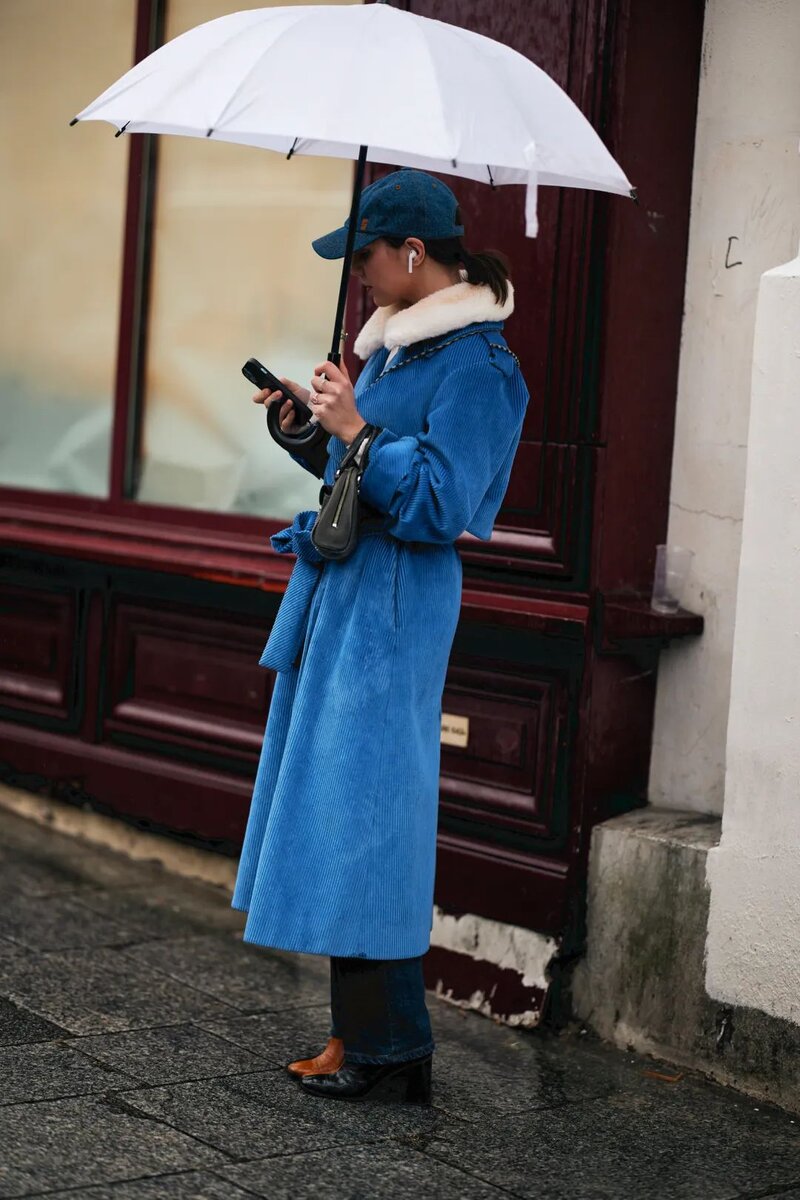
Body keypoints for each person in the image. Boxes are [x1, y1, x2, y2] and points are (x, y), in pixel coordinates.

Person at [231, 168, 530, 1103]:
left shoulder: (482, 367)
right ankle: (365, 1035)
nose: (357, 275)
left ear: (411, 253)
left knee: (371, 819)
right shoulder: (397, 356)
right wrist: (311, 430)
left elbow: (445, 504)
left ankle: (395, 1050)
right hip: (346, 592)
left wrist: (357, 431)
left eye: (364, 256)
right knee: (340, 812)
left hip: (398, 604)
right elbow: (364, 474)